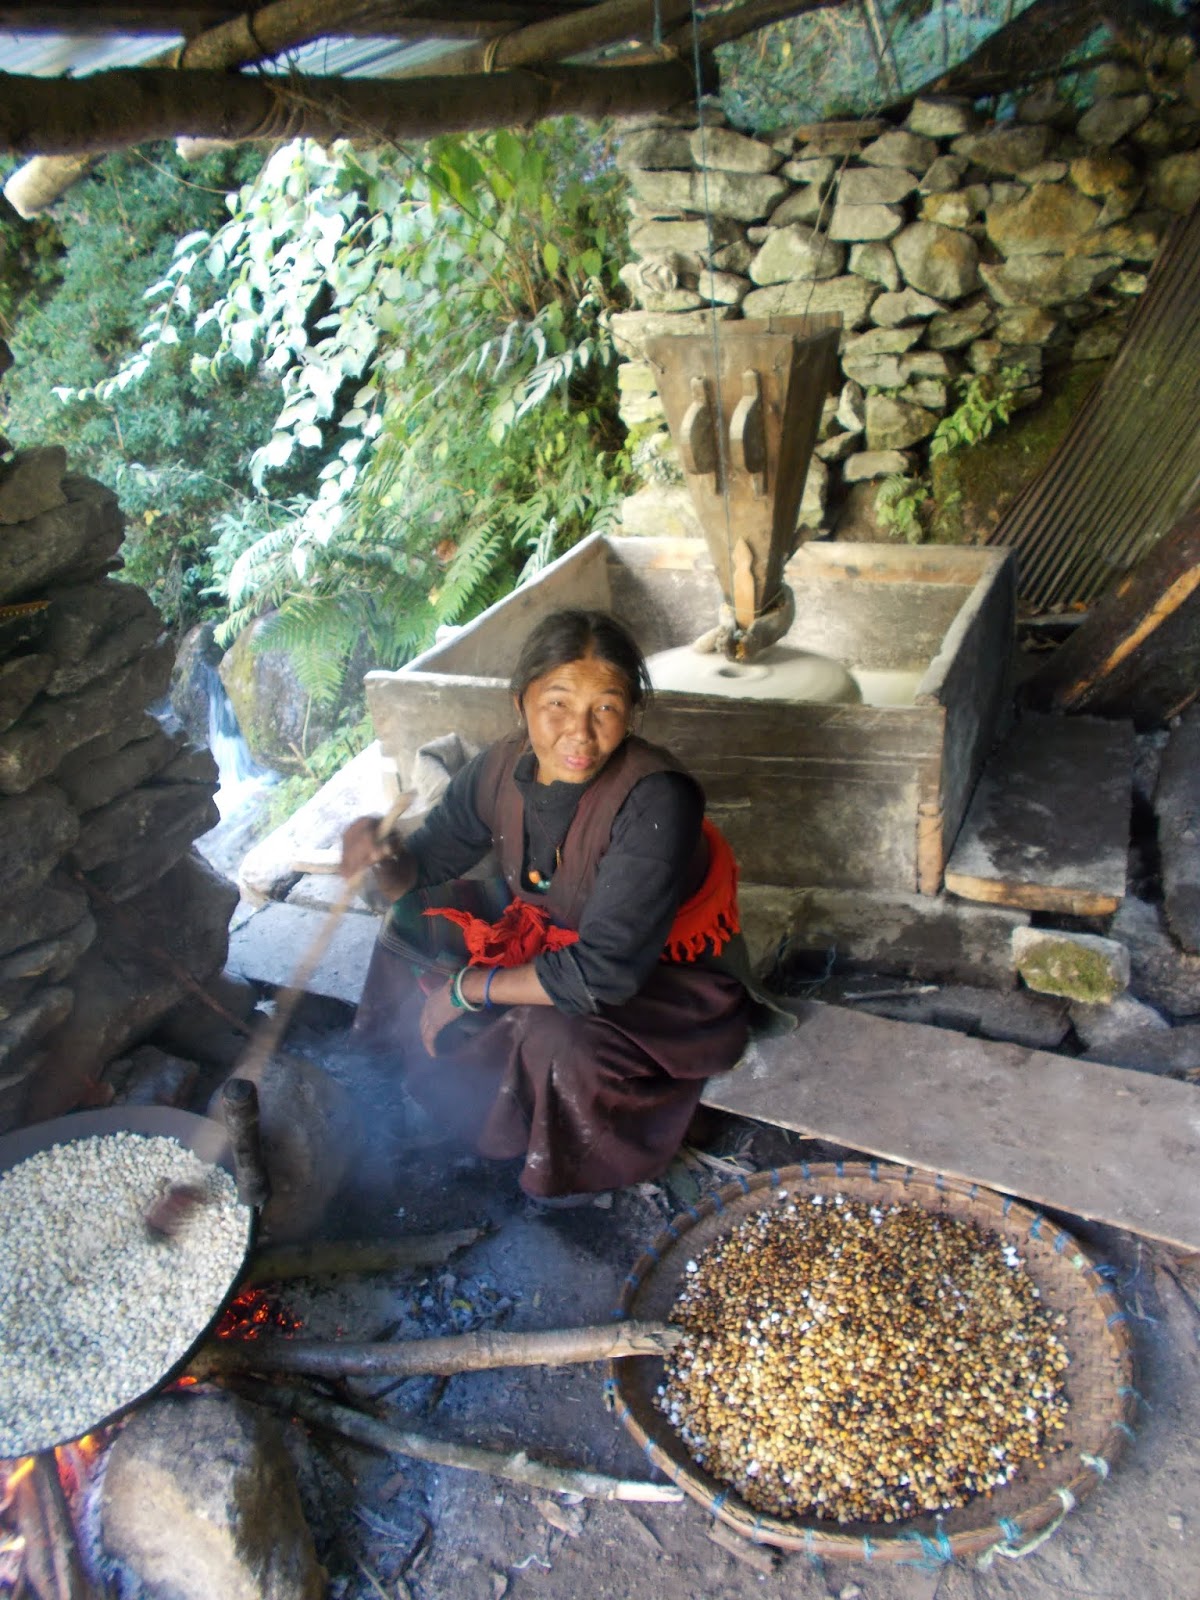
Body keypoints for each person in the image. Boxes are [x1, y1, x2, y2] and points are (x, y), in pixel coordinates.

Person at [340, 608, 759, 1202]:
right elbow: (424, 866)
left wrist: (468, 988)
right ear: (521, 702)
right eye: (557, 703)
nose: (580, 733)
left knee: (553, 1034)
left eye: (606, 707)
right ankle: (393, 1068)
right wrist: (384, 860)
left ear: (632, 712)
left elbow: (605, 973)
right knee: (411, 922)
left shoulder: (656, 799)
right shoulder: (498, 769)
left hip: (664, 979)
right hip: (553, 932)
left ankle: (564, 1164)